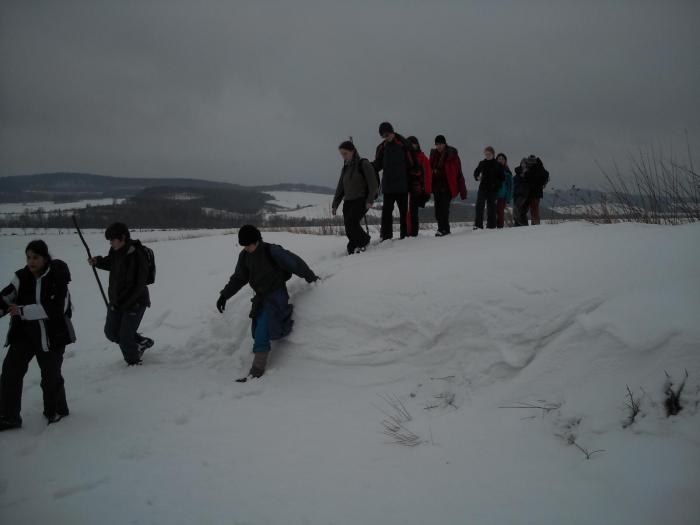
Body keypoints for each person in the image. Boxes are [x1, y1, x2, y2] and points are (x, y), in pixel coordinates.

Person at [216, 225, 320, 382]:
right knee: (257, 329)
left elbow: (295, 263)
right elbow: (239, 278)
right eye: (243, 245)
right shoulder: (244, 256)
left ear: (256, 240)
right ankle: (262, 349)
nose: (246, 248)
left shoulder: (272, 251)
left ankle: (256, 371)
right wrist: (224, 295)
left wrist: (311, 277)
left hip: (277, 295)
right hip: (260, 298)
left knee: (263, 329)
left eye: (248, 244)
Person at [0, 241, 75, 430]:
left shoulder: (57, 277)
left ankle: (56, 410)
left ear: (45, 258)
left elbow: (58, 308)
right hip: (23, 334)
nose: (31, 261)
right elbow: (6, 297)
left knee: (50, 376)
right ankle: (9, 417)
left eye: (35, 257)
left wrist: (23, 311)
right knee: (10, 372)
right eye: (28, 257)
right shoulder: (21, 276)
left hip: (52, 335)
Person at [89, 222, 153, 366]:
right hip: (117, 300)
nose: (110, 242)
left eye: (112, 239)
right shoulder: (116, 252)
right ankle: (140, 343)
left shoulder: (136, 254)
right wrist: (97, 261)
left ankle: (134, 364)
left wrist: (125, 303)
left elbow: (139, 284)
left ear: (122, 237)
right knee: (111, 332)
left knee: (124, 336)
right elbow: (111, 263)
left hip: (135, 301)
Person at [332, 141, 379, 254]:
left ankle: (364, 241)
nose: (343, 156)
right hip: (348, 201)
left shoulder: (363, 164)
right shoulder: (345, 168)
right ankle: (353, 246)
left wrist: (370, 200)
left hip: (361, 200)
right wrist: (335, 205)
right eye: (342, 154)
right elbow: (340, 188)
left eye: (345, 153)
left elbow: (373, 184)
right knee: (348, 226)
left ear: (352, 151)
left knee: (352, 222)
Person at [372, 122, 414, 241]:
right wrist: (368, 166)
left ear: (392, 131)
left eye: (387, 134)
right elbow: (378, 164)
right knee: (386, 213)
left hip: (402, 186)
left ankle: (404, 236)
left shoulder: (403, 144)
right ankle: (386, 237)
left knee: (403, 212)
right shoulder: (381, 147)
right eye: (383, 136)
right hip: (388, 186)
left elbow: (411, 164)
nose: (386, 137)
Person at [428, 135, 468, 236]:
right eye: (437, 144)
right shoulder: (433, 155)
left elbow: (458, 172)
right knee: (438, 210)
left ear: (445, 144)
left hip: (448, 186)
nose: (439, 146)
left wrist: (462, 190)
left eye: (441, 144)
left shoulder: (452, 155)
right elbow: (428, 170)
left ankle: (442, 229)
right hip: (436, 187)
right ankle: (445, 229)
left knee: (444, 209)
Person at [405, 136, 432, 237]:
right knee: (407, 212)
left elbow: (428, 176)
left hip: (417, 190)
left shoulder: (423, 158)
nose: (412, 146)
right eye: (410, 144)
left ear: (417, 144)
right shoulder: (405, 157)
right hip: (406, 189)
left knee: (413, 212)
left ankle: (413, 233)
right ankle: (407, 232)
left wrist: (427, 191)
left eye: (413, 144)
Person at [473, 146, 505, 229]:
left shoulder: (498, 165)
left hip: (493, 190)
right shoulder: (482, 163)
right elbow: (476, 172)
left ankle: (491, 226)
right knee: (479, 207)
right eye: (486, 154)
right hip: (482, 188)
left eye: (489, 154)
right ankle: (478, 225)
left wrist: (496, 184)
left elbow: (502, 178)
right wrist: (477, 177)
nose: (487, 156)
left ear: (493, 154)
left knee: (491, 208)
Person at [513, 155, 549, 226]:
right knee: (522, 210)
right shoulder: (525, 169)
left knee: (533, 212)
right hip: (526, 193)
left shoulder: (539, 168)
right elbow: (517, 169)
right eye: (529, 161)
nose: (531, 163)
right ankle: (525, 226)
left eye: (533, 161)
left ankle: (534, 227)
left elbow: (544, 176)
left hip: (534, 193)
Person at [495, 153, 514, 228]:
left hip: (502, 197)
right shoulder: (493, 170)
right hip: (493, 195)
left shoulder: (508, 172)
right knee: (492, 213)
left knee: (500, 214)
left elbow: (510, 187)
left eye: (503, 159)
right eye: (499, 158)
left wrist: (508, 199)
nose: (501, 160)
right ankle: (491, 229)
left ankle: (500, 229)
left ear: (505, 161)